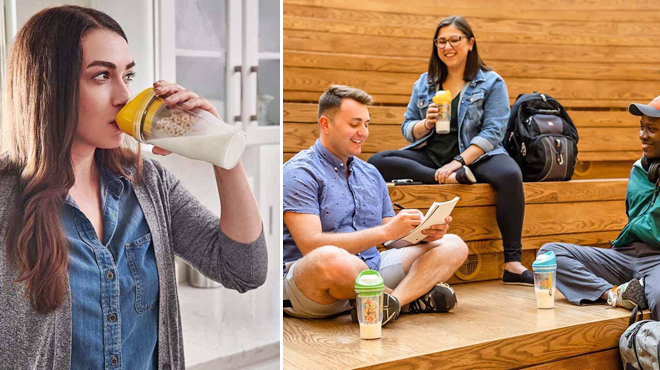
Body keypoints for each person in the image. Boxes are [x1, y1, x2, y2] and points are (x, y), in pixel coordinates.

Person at [0, 6, 267, 370]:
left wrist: (223, 150)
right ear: (49, 86)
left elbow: (244, 270)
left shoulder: (148, 184)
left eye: (128, 74)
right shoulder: (6, 200)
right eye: (101, 76)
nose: (124, 95)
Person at [282, 85, 469, 326]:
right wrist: (386, 232)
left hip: (372, 271)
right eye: (354, 124)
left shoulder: (370, 173)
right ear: (326, 124)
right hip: (316, 288)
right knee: (329, 257)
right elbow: (310, 245)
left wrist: (422, 233)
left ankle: (392, 303)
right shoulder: (299, 172)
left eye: (366, 124)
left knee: (454, 244)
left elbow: (391, 237)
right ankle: (410, 298)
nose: (363, 132)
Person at [367, 15, 531, 286]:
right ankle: (440, 177)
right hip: (433, 156)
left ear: (470, 43)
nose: (447, 46)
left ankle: (512, 263)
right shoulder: (425, 83)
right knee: (377, 160)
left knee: (510, 174)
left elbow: (493, 132)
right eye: (441, 41)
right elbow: (408, 127)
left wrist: (458, 162)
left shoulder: (490, 82)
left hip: (476, 156)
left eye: (455, 39)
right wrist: (425, 122)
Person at [540, 96, 660, 319]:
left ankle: (647, 287)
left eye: (651, 129)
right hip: (625, 254)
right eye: (642, 127)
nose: (642, 135)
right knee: (550, 254)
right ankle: (615, 294)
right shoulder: (639, 171)